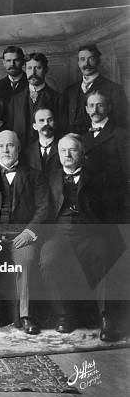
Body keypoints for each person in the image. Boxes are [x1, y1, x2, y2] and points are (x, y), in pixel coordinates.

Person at [40, 134, 125, 341]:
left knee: (104, 253)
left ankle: (106, 318)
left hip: (89, 233)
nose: (67, 155)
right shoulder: (49, 177)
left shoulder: (99, 178)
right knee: (48, 259)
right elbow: (43, 210)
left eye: (72, 150)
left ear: (82, 152)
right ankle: (64, 315)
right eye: (63, 151)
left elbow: (110, 211)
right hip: (59, 234)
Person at [0, 130, 49, 335]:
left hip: (21, 237)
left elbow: (44, 209)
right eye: (0, 146)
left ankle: (26, 316)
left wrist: (29, 232)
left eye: (10, 145)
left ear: (19, 148)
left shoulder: (35, 176)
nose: (5, 149)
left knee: (26, 261)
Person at [80, 90, 129, 218]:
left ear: (109, 107)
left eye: (100, 105)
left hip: (114, 201)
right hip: (88, 201)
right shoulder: (82, 137)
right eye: (91, 105)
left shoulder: (122, 135)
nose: (95, 109)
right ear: (86, 109)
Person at [62, 44, 128, 133]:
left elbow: (121, 125)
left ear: (98, 61)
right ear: (78, 63)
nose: (86, 64)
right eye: (82, 59)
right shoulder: (69, 91)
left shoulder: (115, 89)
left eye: (91, 59)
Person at [5, 53, 61, 146]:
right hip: (21, 152)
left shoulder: (57, 98)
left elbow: (60, 130)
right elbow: (10, 129)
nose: (33, 73)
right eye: (29, 68)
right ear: (25, 70)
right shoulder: (15, 99)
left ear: (46, 70)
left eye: (38, 68)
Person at [22, 108, 61, 175]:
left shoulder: (63, 148)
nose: (46, 123)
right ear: (35, 126)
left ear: (54, 123)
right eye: (41, 120)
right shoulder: (27, 152)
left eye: (50, 120)